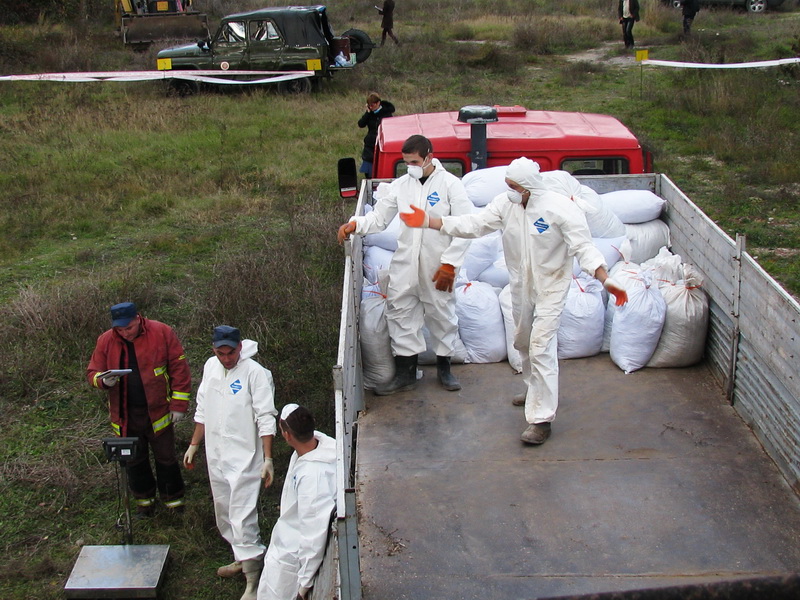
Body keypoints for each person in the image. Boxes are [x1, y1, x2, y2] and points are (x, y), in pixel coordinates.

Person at [399, 158, 628, 445]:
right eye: (508, 185)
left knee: (541, 346)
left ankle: (541, 420)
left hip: (552, 286)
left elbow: (584, 247)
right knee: (523, 341)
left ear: (529, 186)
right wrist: (430, 221)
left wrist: (605, 278)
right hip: (521, 285)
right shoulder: (506, 205)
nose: (510, 190)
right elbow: (475, 223)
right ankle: (534, 390)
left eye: (515, 186)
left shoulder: (560, 209)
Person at [338, 134, 474, 395]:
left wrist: (450, 264)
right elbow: (379, 217)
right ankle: (406, 374)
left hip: (438, 265)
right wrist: (356, 224)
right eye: (405, 161)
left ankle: (444, 369)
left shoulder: (450, 185)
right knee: (400, 313)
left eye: (414, 161)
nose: (409, 166)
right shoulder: (401, 186)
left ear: (429, 157)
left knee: (441, 314)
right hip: (405, 264)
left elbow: (465, 227)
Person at [183, 325, 278, 600]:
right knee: (224, 510)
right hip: (217, 454)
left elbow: (265, 416)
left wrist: (268, 458)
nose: (226, 358)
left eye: (230, 352)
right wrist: (194, 444)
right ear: (213, 350)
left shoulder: (256, 374)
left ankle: (253, 579)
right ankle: (242, 557)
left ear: (240, 347)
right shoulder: (211, 367)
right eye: (220, 353)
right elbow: (203, 408)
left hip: (245, 456)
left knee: (242, 513)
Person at [87, 302, 191, 514]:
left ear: (138, 319)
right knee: (134, 459)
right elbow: (93, 372)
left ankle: (174, 501)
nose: (125, 333)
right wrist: (103, 381)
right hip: (125, 415)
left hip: (158, 411)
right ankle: (144, 503)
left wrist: (179, 405)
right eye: (120, 329)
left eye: (129, 328)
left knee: (166, 457)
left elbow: (179, 368)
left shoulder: (161, 332)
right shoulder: (106, 340)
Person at [257, 403, 336, 600]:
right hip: (285, 538)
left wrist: (303, 585)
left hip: (292, 556)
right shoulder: (316, 445)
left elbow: (313, 532)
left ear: (287, 435)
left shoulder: (313, 478)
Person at [358, 92, 396, 179]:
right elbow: (361, 124)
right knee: (369, 172)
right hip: (370, 145)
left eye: (372, 105)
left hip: (382, 144)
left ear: (378, 103)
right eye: (369, 105)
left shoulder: (387, 114)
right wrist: (367, 113)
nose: (371, 107)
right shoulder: (370, 114)